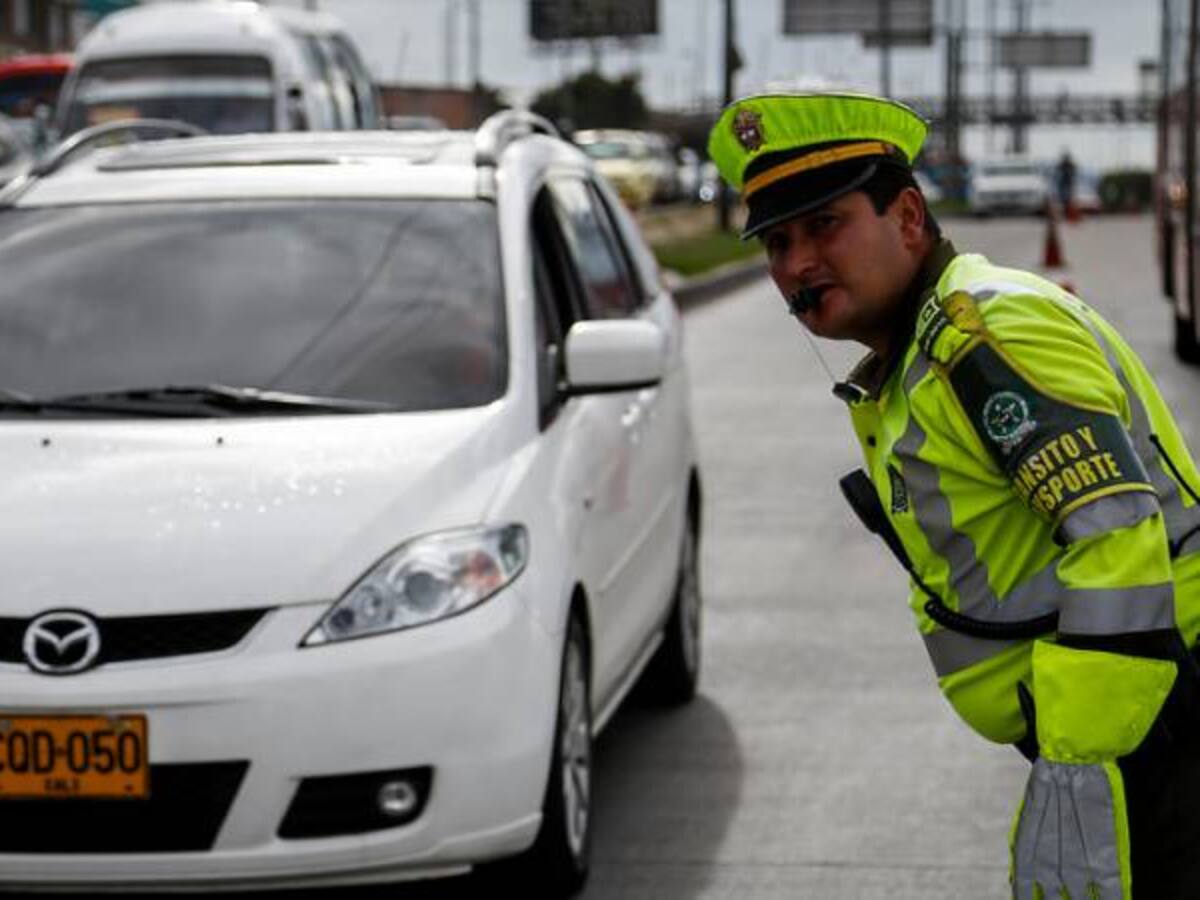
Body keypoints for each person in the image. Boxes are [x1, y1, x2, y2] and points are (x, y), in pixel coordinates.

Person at [707, 91, 1200, 899]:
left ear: (906, 219)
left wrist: (1079, 766)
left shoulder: (984, 335)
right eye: (778, 241)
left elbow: (1119, 544)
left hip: (1156, 727)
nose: (796, 265)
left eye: (825, 225)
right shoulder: (920, 353)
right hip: (1132, 725)